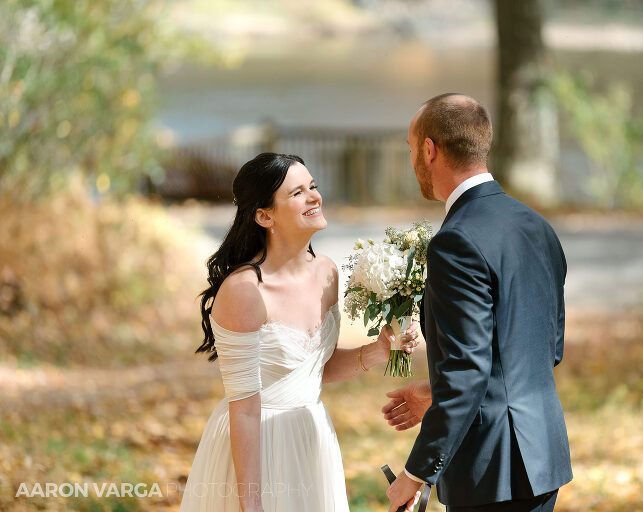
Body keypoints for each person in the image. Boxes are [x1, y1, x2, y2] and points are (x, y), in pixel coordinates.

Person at [179, 153, 422, 512]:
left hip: (313, 439)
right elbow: (244, 409)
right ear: (264, 216)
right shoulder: (244, 291)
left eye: (313, 186)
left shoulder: (327, 272)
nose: (314, 197)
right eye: (297, 193)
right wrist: (253, 505)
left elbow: (314, 369)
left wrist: (379, 349)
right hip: (257, 450)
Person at [382, 94, 572, 512]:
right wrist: (437, 392)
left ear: (429, 150)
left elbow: (469, 369)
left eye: (412, 149)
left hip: (491, 473)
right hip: (542, 458)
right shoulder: (536, 225)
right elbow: (544, 350)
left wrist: (415, 475)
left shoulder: (455, 242)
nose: (413, 159)